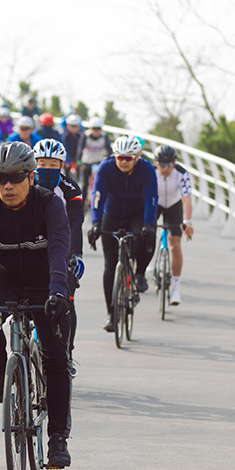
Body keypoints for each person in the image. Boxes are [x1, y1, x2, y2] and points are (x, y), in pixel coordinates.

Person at [0, 141, 74, 467]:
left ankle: (58, 437)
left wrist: (58, 293)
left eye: (16, 177)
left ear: (31, 177)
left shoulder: (49, 205)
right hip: (3, 277)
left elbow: (59, 251)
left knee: (55, 357)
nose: (7, 186)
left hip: (46, 281)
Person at [87, 135, 158, 332]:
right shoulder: (106, 167)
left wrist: (148, 225)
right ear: (115, 157)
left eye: (129, 158)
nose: (124, 162)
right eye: (120, 158)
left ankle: (140, 273)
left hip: (137, 212)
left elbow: (151, 198)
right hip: (113, 212)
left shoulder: (147, 169)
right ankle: (111, 313)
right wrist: (95, 223)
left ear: (138, 157)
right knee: (110, 264)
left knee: (145, 236)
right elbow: (97, 196)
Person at [34, 139, 84, 378]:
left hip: (60, 249)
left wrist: (76, 255)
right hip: (30, 248)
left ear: (62, 165)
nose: (46, 168)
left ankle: (67, 353)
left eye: (53, 164)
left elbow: (76, 222)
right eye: (41, 163)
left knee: (67, 299)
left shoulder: (70, 189)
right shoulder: (24, 182)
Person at [153, 145, 194, 305]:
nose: (165, 169)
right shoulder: (150, 171)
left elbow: (186, 198)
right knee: (145, 235)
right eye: (161, 165)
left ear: (174, 163)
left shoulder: (182, 174)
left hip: (173, 205)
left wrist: (188, 221)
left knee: (175, 245)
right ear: (155, 162)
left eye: (169, 165)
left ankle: (176, 288)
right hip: (155, 203)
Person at [77, 116, 112, 199]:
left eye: (98, 129)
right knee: (85, 183)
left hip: (99, 163)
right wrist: (79, 161)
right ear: (90, 128)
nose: (96, 131)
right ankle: (83, 203)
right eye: (94, 128)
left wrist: (110, 162)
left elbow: (109, 150)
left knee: (99, 183)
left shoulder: (104, 136)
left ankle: (97, 200)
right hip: (87, 163)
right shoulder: (85, 136)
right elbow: (80, 149)